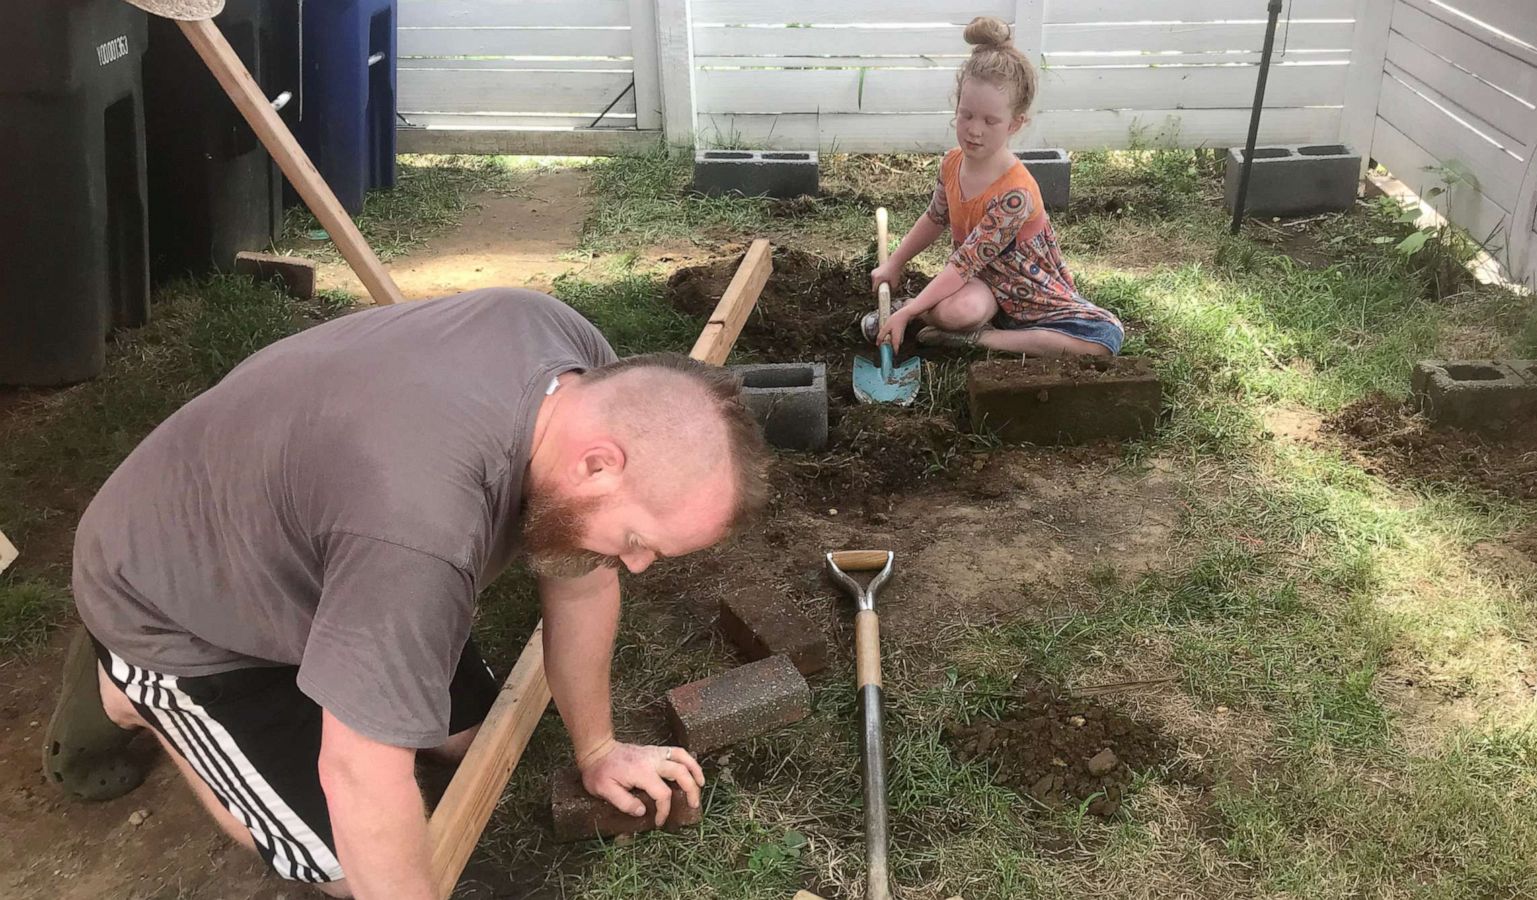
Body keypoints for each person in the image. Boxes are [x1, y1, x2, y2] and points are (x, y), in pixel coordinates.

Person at [42, 287, 770, 899]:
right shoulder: (419, 530)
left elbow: (579, 576)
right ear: (598, 464)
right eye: (641, 539)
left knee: (469, 737)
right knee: (343, 861)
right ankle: (133, 692)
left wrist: (599, 747)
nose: (638, 566)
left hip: (318, 544)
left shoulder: (577, 364)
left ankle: (330, 654)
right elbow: (360, 776)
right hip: (178, 602)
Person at [864, 16, 1126, 359]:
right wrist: (895, 263)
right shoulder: (951, 163)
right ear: (956, 107)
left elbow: (962, 264)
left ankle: (979, 339)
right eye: (966, 115)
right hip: (981, 281)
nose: (975, 130)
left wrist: (910, 313)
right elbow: (935, 218)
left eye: (990, 121)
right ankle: (926, 313)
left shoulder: (1014, 193)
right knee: (958, 312)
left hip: (1028, 291)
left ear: (1015, 124)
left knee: (1105, 340)